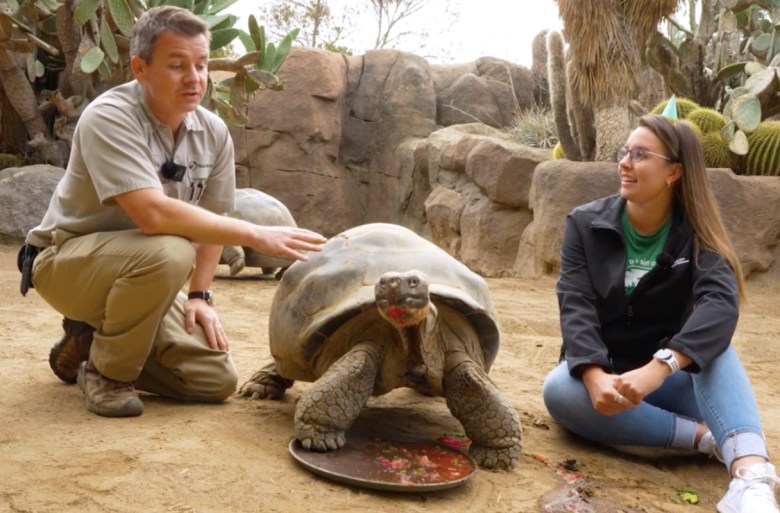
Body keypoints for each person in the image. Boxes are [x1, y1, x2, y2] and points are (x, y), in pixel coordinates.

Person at [19, 6, 326, 419]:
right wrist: (255, 235)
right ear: (140, 68)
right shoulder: (110, 117)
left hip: (142, 276)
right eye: (177, 65)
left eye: (201, 65)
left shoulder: (213, 132)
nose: (194, 78)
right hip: (66, 263)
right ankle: (108, 376)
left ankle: (89, 347)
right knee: (170, 250)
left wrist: (200, 294)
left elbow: (212, 224)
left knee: (213, 381)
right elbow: (153, 216)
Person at [542, 114, 779, 513]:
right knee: (559, 390)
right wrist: (593, 374)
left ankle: (752, 479)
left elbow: (720, 305)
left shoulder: (698, 232)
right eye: (624, 152)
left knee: (716, 351)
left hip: (672, 378)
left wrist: (662, 365)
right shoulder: (585, 224)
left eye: (640, 154)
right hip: (612, 376)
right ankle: (704, 439)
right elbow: (575, 302)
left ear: (673, 172)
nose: (624, 163)